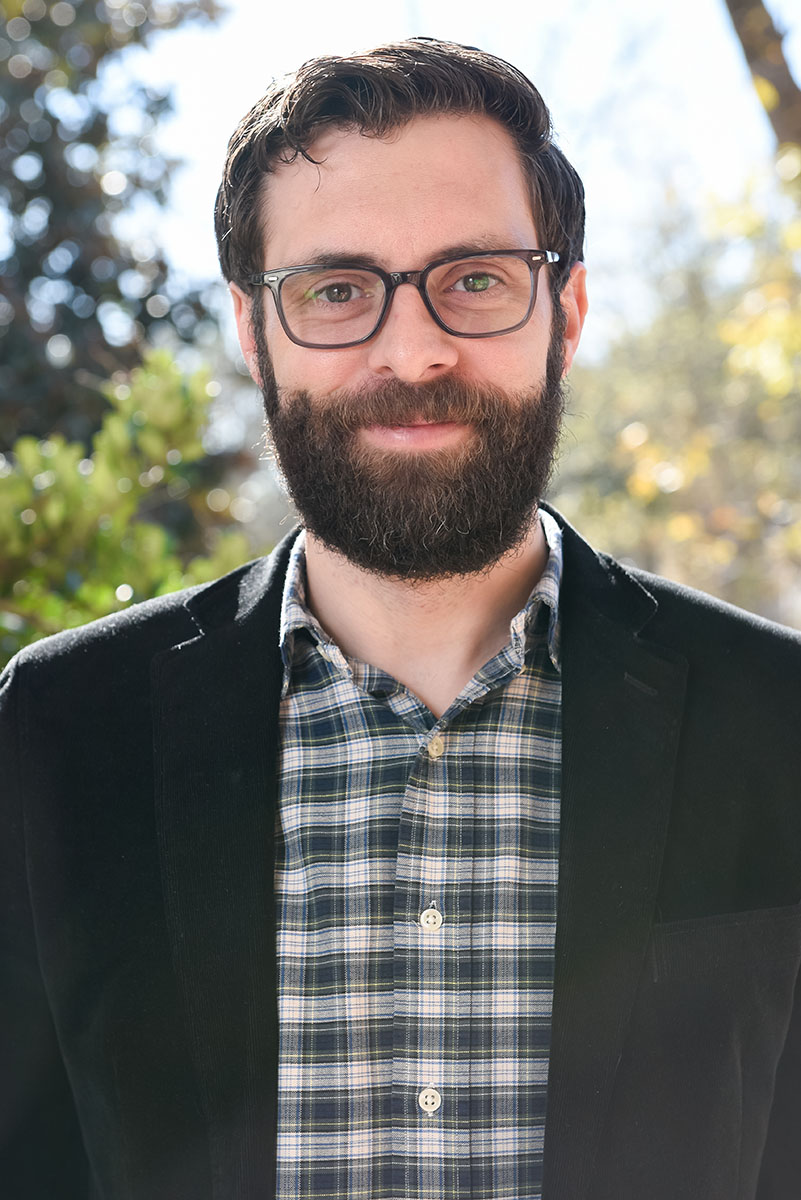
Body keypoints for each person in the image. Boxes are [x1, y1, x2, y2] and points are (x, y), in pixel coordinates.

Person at [2, 36, 800, 1200]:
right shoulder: (59, 732)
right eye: (337, 290)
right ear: (252, 330)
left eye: (475, 278)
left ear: (564, 310)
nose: (414, 348)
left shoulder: (777, 724)